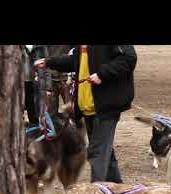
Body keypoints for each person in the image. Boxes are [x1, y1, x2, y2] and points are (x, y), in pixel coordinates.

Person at [35, 45, 137, 183]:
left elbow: (129, 58)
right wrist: (49, 62)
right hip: (88, 107)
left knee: (97, 151)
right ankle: (117, 190)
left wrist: (102, 74)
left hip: (107, 106)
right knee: (105, 152)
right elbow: (74, 61)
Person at [22, 45, 53, 126]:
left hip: (37, 85)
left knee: (39, 116)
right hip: (21, 85)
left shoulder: (41, 47)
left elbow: (47, 66)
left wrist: (48, 87)